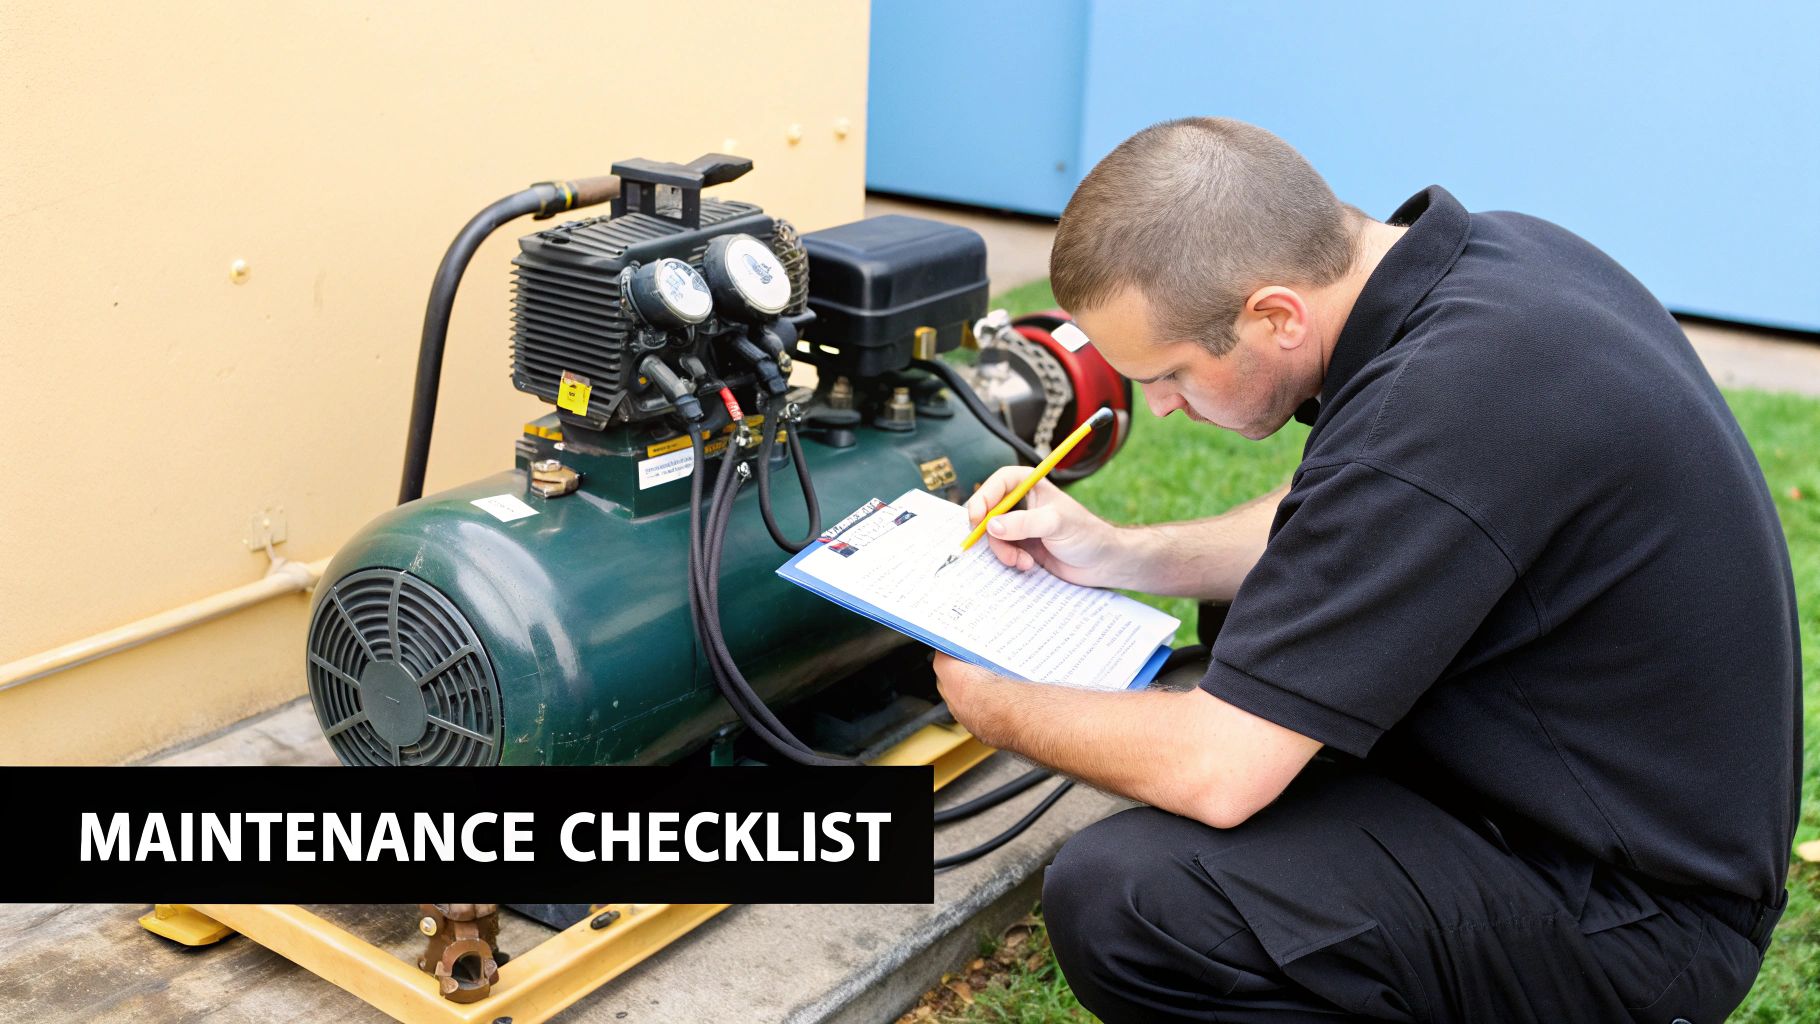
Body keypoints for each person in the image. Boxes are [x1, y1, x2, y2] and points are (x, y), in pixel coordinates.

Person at [931, 117, 1800, 1022]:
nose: (1164, 406)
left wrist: (997, 705)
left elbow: (1217, 771)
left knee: (1131, 902)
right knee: (1246, 630)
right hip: (1592, 806)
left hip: (1635, 920)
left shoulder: (1444, 409)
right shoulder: (1499, 262)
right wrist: (1122, 552)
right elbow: (1346, 519)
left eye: (1172, 373)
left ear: (1275, 314)